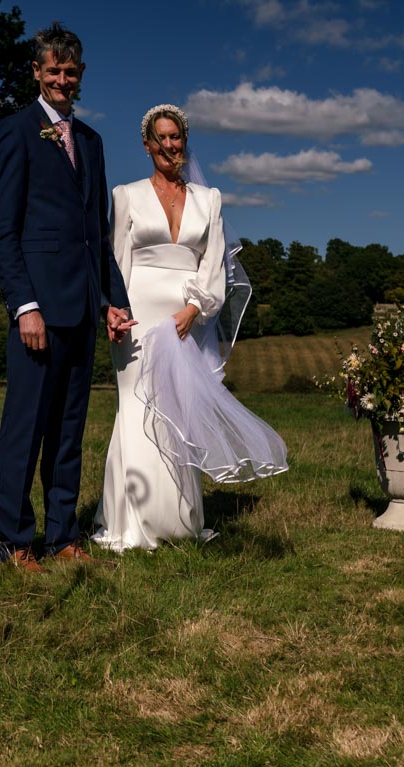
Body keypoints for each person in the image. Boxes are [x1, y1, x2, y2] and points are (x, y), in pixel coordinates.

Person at [91, 104, 287, 552]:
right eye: (160, 138)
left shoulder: (209, 199)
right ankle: (130, 520)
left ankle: (180, 520)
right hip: (137, 315)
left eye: (175, 137)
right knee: (137, 407)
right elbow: (115, 260)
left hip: (187, 318)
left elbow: (213, 262)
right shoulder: (126, 195)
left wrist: (194, 309)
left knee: (178, 410)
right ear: (147, 146)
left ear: (184, 142)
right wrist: (113, 310)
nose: (168, 145)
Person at [0, 23, 133, 573]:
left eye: (71, 72)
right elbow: (3, 232)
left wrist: (111, 300)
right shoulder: (15, 132)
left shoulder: (91, 141)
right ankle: (15, 542)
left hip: (82, 310)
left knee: (70, 430)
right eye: (53, 71)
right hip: (38, 313)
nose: (62, 80)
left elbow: (96, 233)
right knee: (25, 430)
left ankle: (63, 534)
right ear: (37, 72)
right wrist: (24, 306)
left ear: (81, 74)